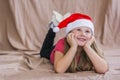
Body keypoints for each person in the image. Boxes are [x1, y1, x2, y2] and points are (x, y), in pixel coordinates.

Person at [40, 13, 108, 73]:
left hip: (85, 46)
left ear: (91, 36)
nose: (83, 34)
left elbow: (103, 69)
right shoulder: (62, 43)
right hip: (55, 51)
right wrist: (73, 47)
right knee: (43, 52)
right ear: (70, 33)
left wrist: (87, 47)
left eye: (87, 31)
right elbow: (59, 69)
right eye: (78, 30)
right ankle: (53, 27)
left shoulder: (90, 45)